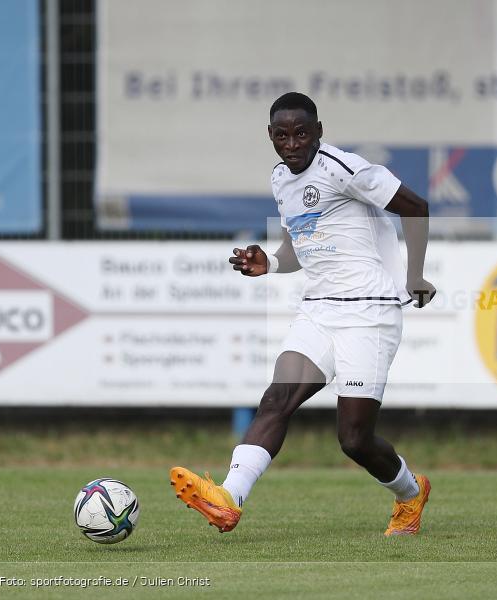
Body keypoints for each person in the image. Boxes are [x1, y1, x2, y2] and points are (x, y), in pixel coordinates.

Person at [170, 92, 436, 537]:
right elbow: (297, 245)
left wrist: (415, 276)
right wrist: (270, 263)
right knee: (277, 400)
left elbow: (416, 207)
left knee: (354, 440)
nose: (291, 144)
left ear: (318, 132)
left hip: (369, 313)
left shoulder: (344, 168)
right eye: (281, 135)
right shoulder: (281, 179)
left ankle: (411, 494)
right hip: (318, 310)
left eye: (301, 134)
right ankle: (229, 499)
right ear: (270, 136)